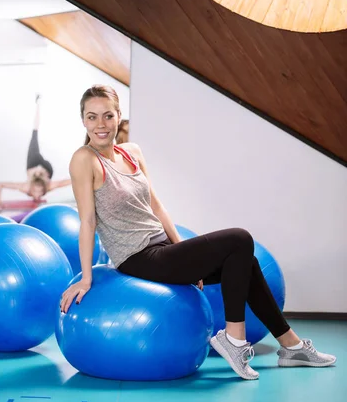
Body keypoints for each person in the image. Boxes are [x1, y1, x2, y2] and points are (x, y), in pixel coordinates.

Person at [60, 85, 336, 381]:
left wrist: (184, 253)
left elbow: (156, 205)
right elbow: (88, 221)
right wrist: (86, 278)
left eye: (107, 115)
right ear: (83, 121)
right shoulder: (84, 159)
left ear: (119, 117)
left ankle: (291, 347)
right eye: (92, 117)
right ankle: (234, 339)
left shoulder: (131, 152)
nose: (100, 125)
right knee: (239, 239)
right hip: (137, 257)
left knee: (246, 263)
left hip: (163, 250)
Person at [0, 95, 72, 207]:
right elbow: (0, 184)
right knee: (34, 132)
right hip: (44, 167)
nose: (38, 195)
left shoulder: (28, 187)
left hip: (35, 164)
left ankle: (38, 104)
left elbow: (0, 184)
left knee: (35, 132)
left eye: (39, 192)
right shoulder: (43, 186)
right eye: (37, 191)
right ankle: (38, 105)